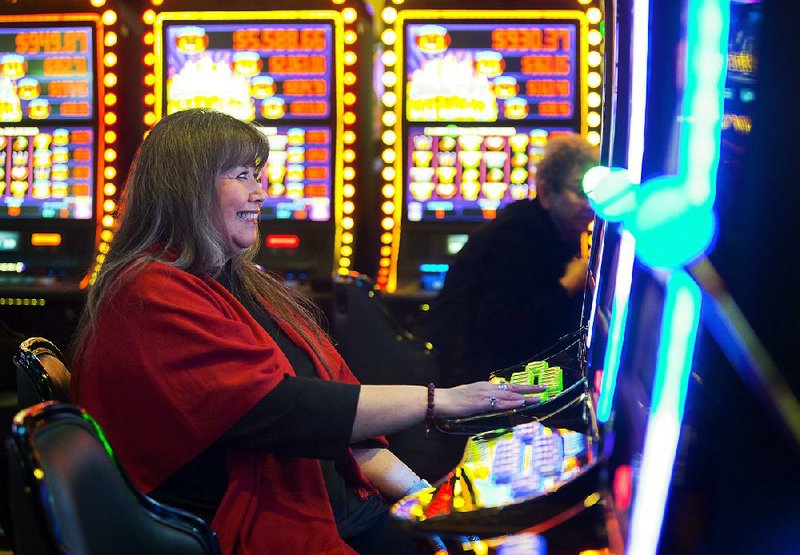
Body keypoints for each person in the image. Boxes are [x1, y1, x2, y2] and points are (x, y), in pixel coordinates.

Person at [70, 108, 542, 555]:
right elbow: (277, 409)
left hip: (336, 508)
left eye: (257, 176)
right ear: (186, 189)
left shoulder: (241, 284)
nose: (260, 192)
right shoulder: (148, 290)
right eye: (240, 176)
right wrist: (441, 400)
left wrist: (427, 507)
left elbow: (342, 420)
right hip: (249, 523)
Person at [414, 134, 598, 387]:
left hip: (515, 373)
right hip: (474, 383)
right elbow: (501, 326)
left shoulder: (561, 231)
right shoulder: (519, 232)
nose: (590, 205)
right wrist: (568, 284)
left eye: (593, 194)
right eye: (579, 193)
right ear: (545, 192)